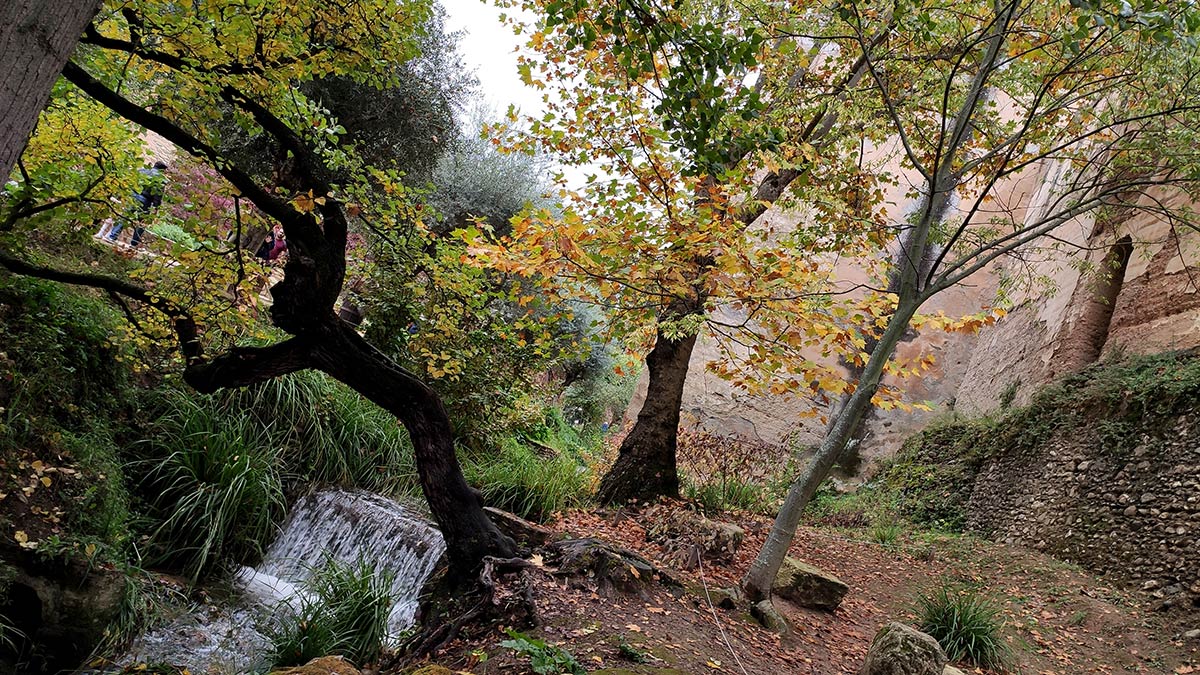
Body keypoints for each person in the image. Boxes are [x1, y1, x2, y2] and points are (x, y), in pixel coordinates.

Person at [106, 161, 167, 247]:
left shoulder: (142, 170)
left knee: (125, 216)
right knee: (142, 222)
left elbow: (132, 182)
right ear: (162, 170)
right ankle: (134, 243)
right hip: (146, 200)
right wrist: (156, 207)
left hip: (133, 195)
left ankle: (112, 237)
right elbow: (158, 194)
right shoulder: (161, 179)